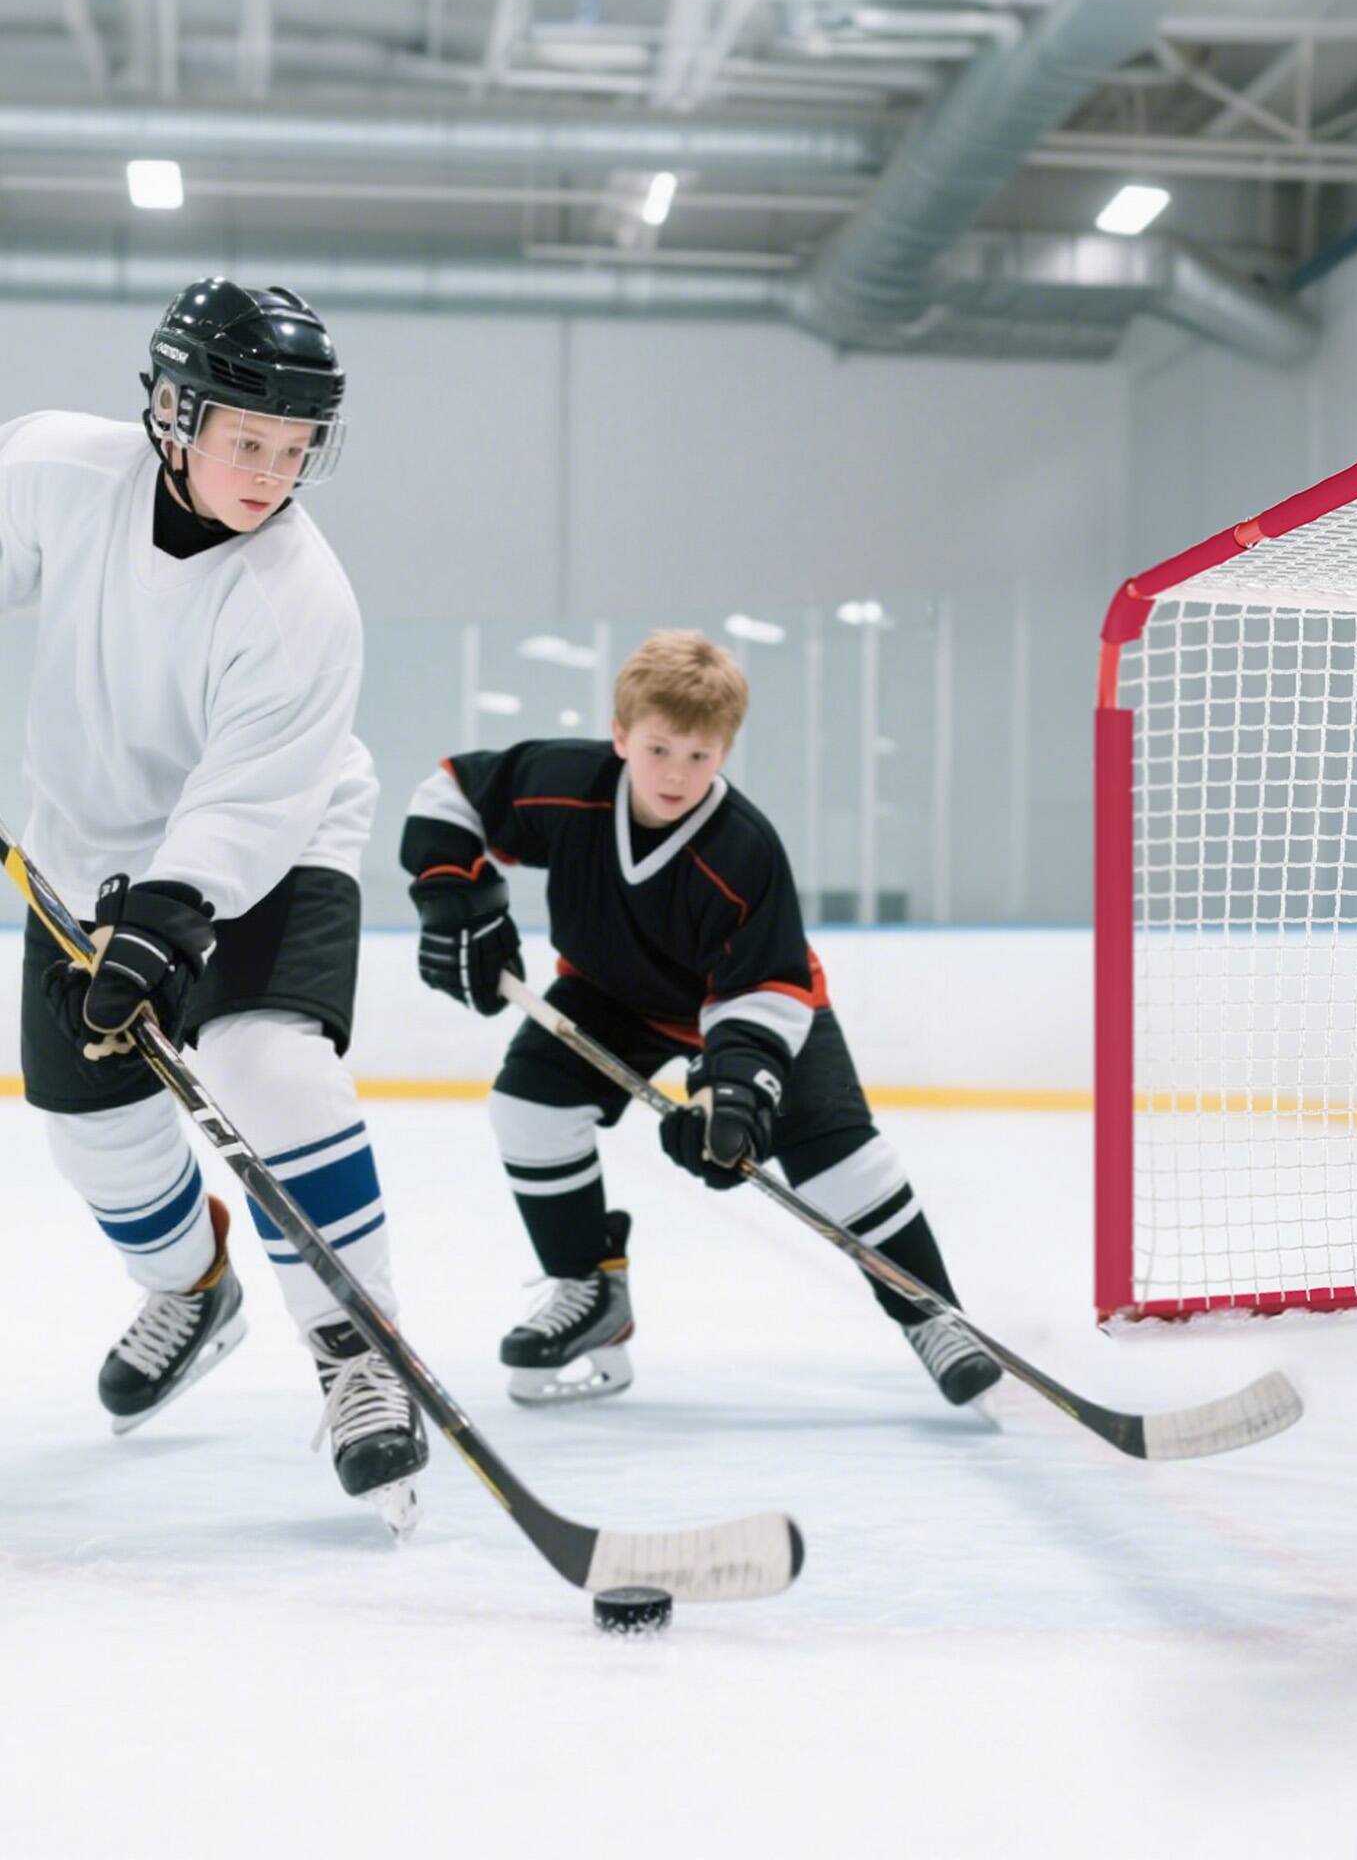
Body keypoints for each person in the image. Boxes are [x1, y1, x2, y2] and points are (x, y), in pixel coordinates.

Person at [0, 278, 426, 1529]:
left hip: (273, 842)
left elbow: (246, 808)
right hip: (82, 848)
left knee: (265, 1064)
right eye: (249, 438)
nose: (272, 471)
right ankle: (194, 1287)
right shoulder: (59, 471)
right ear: (173, 412)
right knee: (88, 1127)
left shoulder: (301, 600)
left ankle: (360, 1350)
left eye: (296, 448)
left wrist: (170, 917)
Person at [400, 628, 1002, 1410]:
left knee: (845, 1165)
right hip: (610, 995)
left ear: (726, 751)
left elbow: (765, 989)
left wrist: (734, 1097)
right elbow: (448, 793)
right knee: (528, 1109)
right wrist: (454, 895)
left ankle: (931, 1312)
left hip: (757, 1006)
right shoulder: (567, 783)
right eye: (657, 750)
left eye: (699, 756)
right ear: (620, 735)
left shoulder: (743, 849)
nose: (676, 774)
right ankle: (590, 1293)